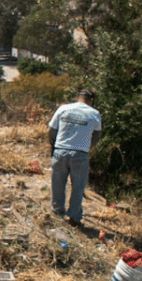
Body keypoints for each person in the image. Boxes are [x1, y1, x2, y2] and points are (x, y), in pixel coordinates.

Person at [48, 88, 102, 226]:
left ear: (78, 97)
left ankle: (57, 213)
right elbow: (97, 135)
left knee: (58, 184)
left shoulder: (63, 109)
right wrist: (88, 148)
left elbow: (52, 130)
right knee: (78, 187)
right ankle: (74, 217)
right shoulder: (94, 113)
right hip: (80, 154)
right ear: (92, 100)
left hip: (61, 150)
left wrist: (54, 146)